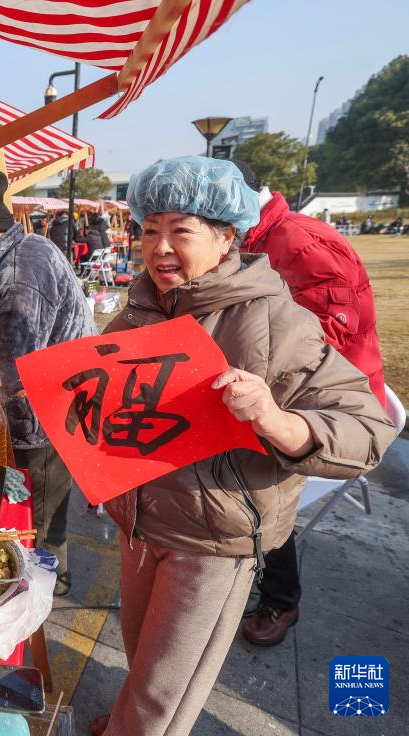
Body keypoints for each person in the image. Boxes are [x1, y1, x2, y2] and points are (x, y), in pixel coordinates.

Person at [90, 156, 395, 736]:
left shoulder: (275, 321)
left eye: (180, 230)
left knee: (163, 700)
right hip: (138, 525)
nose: (159, 247)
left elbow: (366, 430)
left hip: (212, 543)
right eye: (149, 230)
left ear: (227, 234)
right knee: (143, 663)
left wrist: (276, 421)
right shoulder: (137, 313)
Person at [230, 159, 387, 647]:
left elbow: (324, 343)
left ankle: (281, 599)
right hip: (265, 391)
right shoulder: (253, 235)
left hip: (323, 404)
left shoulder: (299, 241)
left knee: (264, 491)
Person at [0, 169, 97, 595]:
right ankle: (49, 567)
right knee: (49, 500)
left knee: (38, 506)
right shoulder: (32, 243)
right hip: (66, 402)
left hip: (45, 413)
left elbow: (11, 370)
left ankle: (45, 583)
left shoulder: (17, 276)